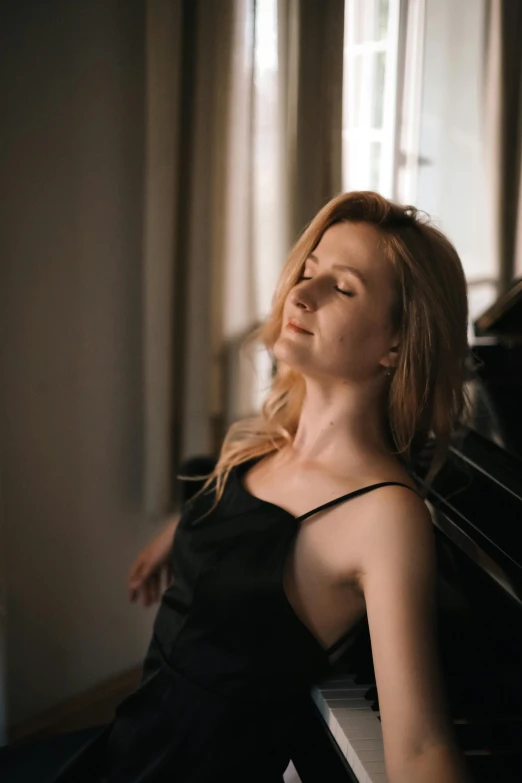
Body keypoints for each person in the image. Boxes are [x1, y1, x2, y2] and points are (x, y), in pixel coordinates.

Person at [0, 191, 474, 782]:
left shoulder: (385, 516)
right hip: (135, 737)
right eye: (308, 271)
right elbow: (252, 518)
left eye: (343, 288)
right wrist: (180, 533)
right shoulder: (267, 443)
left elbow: (422, 746)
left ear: (397, 344)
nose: (301, 294)